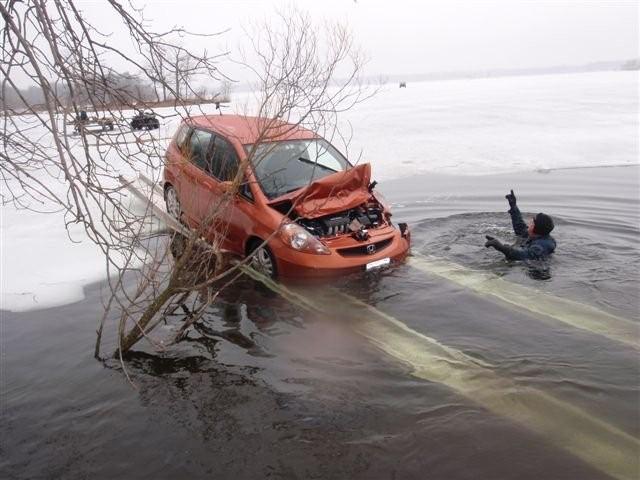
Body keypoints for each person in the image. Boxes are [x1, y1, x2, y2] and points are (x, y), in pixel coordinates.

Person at [485, 190, 556, 260]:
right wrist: (514, 206)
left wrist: (501, 247)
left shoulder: (543, 245)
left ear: (537, 228)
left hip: (535, 269)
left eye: (532, 223)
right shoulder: (536, 235)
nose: (529, 224)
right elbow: (520, 228)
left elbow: (525, 255)